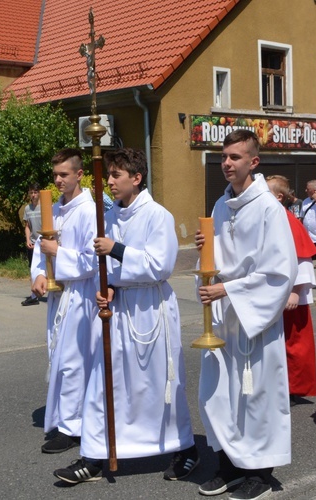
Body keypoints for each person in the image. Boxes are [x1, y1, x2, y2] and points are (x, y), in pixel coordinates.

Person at [53, 148, 199, 484]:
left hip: (150, 311)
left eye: (116, 175)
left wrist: (116, 249)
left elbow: (159, 265)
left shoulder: (157, 215)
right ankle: (95, 456)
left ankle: (184, 448)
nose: (109, 182)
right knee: (105, 383)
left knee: (158, 383)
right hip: (118, 311)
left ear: (136, 177)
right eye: (108, 175)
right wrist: (111, 287)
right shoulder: (112, 216)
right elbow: (109, 268)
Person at [196, 130, 297, 500]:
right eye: (224, 156)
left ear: (254, 162)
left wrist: (228, 289)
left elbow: (279, 273)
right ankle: (228, 465)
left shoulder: (270, 208)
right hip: (226, 317)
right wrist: (207, 254)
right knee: (220, 394)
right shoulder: (221, 206)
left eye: (236, 157)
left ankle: (259, 471)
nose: (227, 163)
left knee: (255, 396)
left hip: (256, 319)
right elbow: (219, 260)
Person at [29, 149, 98, 455]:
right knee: (57, 356)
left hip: (80, 296)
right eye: (55, 174)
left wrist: (59, 254)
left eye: (64, 175)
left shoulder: (89, 211)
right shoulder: (54, 208)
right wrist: (39, 275)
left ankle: (74, 427)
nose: (58, 180)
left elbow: (92, 261)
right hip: (58, 296)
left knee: (73, 362)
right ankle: (64, 418)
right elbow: (40, 249)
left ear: (79, 174)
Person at [267, 175, 316, 405]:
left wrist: (296, 291)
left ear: (279, 197)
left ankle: (292, 387)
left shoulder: (288, 220)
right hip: (272, 293)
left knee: (293, 343)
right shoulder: (269, 218)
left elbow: (302, 258)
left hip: (289, 295)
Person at [21, 183, 42, 306]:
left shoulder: (46, 206)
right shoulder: (28, 209)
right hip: (33, 244)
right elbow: (27, 226)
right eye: (31, 192)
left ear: (39, 193)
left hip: (44, 243)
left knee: (52, 270)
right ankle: (34, 296)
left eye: (35, 192)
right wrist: (28, 240)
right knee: (33, 269)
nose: (33, 195)